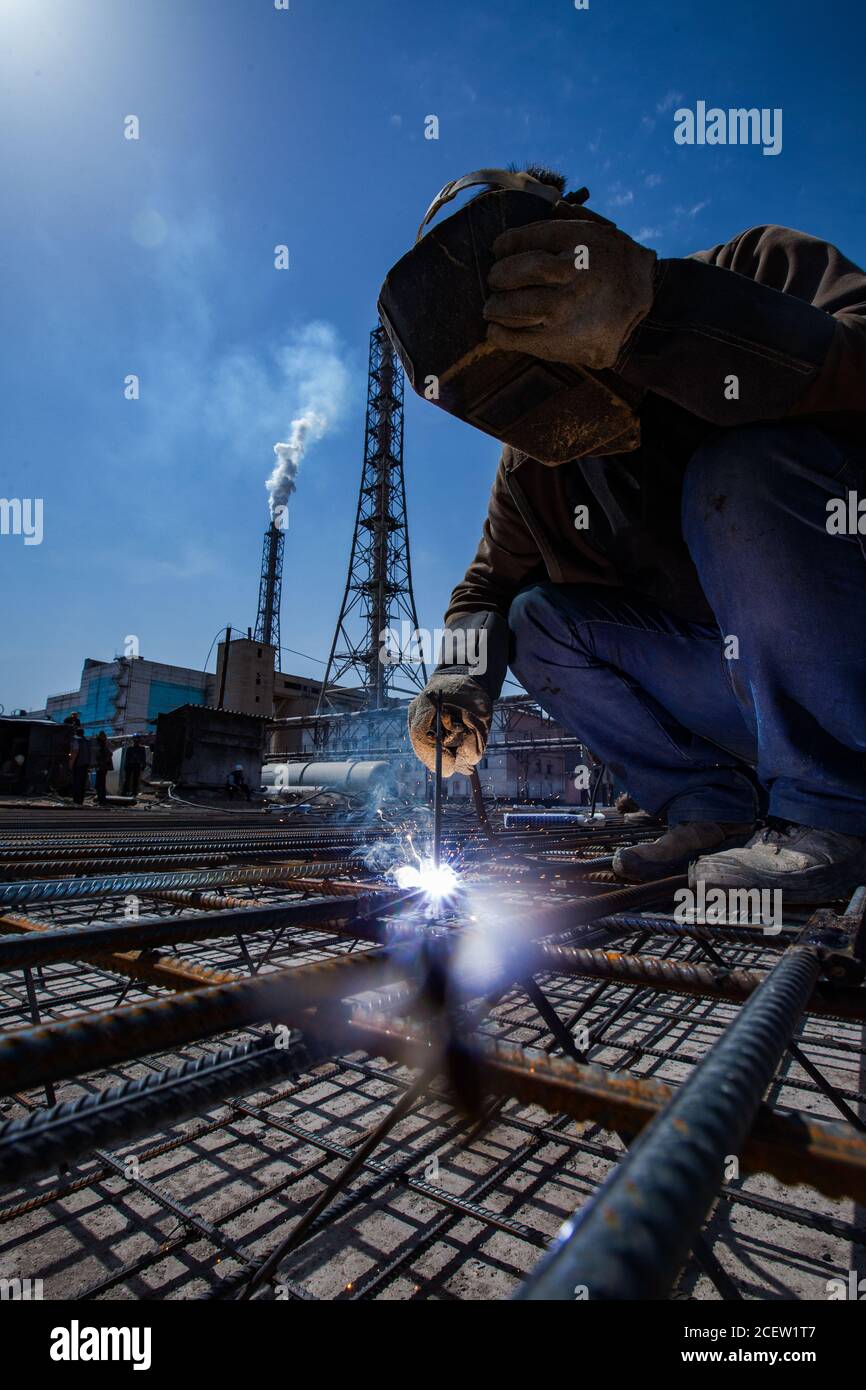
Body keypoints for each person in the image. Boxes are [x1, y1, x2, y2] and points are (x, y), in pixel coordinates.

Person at [405, 165, 866, 901]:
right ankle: (713, 806)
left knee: (737, 475)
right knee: (533, 620)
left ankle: (841, 811)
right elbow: (486, 587)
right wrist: (459, 679)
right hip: (732, 691)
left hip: (845, 659)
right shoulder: (533, 462)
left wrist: (659, 318)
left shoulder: (756, 266)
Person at [69, 726, 92, 806]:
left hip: (78, 764)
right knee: (82, 783)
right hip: (85, 765)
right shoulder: (88, 742)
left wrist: (70, 764)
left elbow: (74, 752)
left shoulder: (76, 740)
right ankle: (81, 800)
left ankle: (76, 800)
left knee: (76, 783)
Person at [94, 731, 113, 806]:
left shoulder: (102, 748)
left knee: (99, 784)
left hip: (101, 767)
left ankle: (101, 800)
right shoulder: (105, 746)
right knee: (101, 784)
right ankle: (102, 800)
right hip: (103, 768)